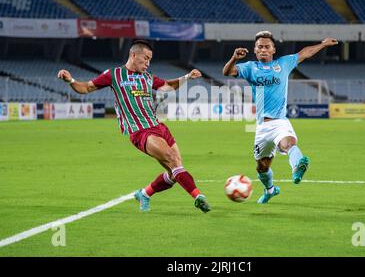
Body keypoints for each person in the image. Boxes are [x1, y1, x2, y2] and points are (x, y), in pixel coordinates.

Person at [57, 40, 211, 213]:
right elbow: (86, 88)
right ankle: (199, 197)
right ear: (133, 55)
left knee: (175, 172)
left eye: (150, 60)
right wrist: (71, 80)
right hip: (140, 131)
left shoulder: (147, 77)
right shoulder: (114, 75)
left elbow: (168, 86)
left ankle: (144, 193)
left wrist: (187, 77)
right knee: (173, 160)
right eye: (145, 58)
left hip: (159, 127)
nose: (148, 63)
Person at [223, 31, 338, 204]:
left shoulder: (283, 63)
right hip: (262, 127)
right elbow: (227, 71)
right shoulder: (250, 67)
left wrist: (322, 44)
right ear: (255, 50)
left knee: (287, 144)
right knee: (262, 167)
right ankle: (270, 190)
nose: (263, 49)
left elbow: (304, 53)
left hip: (279, 122)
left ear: (273, 49)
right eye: (260, 47)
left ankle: (297, 168)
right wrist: (234, 57)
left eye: (267, 47)